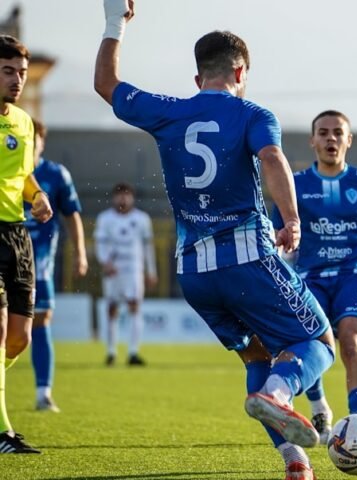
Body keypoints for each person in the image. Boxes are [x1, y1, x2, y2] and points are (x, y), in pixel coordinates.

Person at [94, 2, 334, 478]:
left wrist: (113, 22)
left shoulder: (169, 112)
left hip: (193, 272)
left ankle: (295, 462)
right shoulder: (252, 113)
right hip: (246, 259)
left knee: (257, 354)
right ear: (241, 71)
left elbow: (106, 85)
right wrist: (292, 219)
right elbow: (271, 160)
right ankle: (279, 396)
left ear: (197, 76)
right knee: (318, 341)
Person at [271, 110, 357, 443]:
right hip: (309, 276)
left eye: (338, 133)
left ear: (348, 140)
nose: (331, 139)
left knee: (353, 341)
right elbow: (276, 234)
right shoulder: (295, 185)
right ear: (312, 140)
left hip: (354, 273)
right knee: (310, 342)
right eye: (323, 133)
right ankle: (319, 405)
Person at [0, 34, 53, 454]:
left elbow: (24, 177)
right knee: (0, 332)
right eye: (7, 72)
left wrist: (37, 196)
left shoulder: (22, 121)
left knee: (20, 339)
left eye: (21, 73)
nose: (17, 80)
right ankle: (3, 432)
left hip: (17, 236)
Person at [24, 120, 88, 411]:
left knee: (41, 319)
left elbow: (72, 215)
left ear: (41, 142)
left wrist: (80, 253)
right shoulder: (7, 168)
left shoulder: (55, 175)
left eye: (33, 138)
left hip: (41, 264)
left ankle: (43, 392)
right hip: (6, 257)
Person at [94, 182, 156, 367]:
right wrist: (105, 262)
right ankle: (111, 352)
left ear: (132, 197)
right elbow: (100, 244)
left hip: (133, 269)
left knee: (134, 306)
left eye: (126, 194)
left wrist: (151, 271)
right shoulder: (105, 218)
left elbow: (148, 247)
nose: (123, 198)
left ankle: (133, 352)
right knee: (112, 308)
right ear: (114, 197)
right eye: (119, 194)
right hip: (114, 269)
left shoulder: (142, 219)